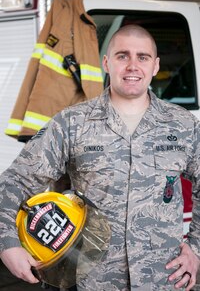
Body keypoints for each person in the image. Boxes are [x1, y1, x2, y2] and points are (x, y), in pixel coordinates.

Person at [0, 24, 200, 291]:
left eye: (143, 57)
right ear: (106, 63)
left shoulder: (183, 125)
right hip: (90, 280)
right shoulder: (72, 123)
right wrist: (8, 244)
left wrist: (196, 247)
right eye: (122, 56)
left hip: (162, 280)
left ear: (155, 66)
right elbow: (15, 182)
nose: (132, 65)